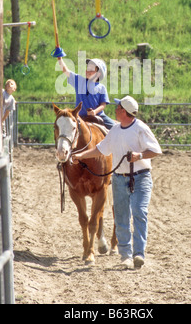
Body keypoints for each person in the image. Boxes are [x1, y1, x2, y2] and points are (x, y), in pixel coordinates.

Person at [72, 95, 162, 269]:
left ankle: (138, 253)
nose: (115, 109)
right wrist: (81, 156)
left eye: (118, 107)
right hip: (120, 179)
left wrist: (140, 156)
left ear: (124, 111)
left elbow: (156, 150)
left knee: (139, 213)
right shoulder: (115, 130)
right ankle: (126, 256)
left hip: (141, 177)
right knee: (121, 217)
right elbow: (101, 149)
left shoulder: (140, 128)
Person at [57, 57, 115, 129]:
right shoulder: (79, 81)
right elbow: (66, 70)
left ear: (98, 74)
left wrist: (95, 112)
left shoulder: (101, 87)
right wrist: (60, 58)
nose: (88, 71)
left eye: (91, 69)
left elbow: (103, 104)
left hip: (99, 115)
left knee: (114, 126)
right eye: (88, 68)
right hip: (80, 116)